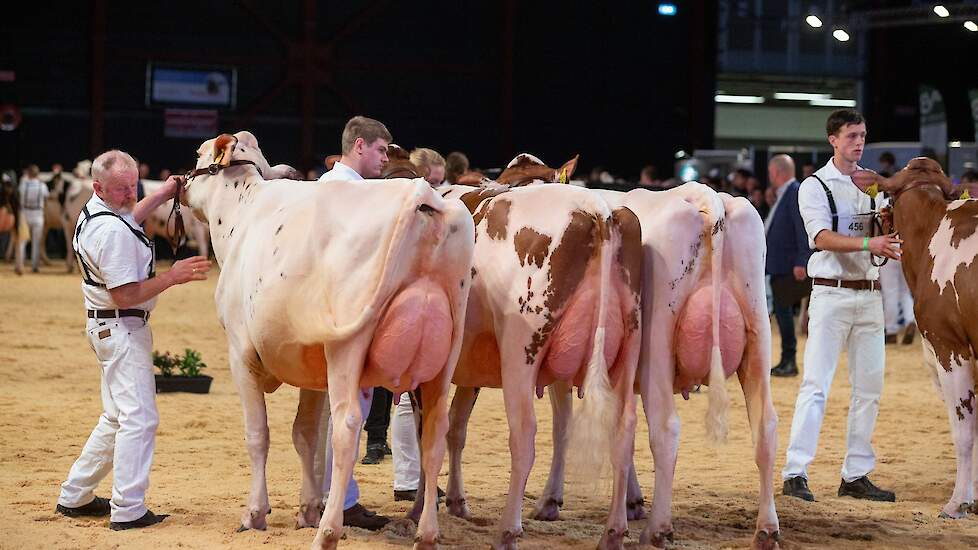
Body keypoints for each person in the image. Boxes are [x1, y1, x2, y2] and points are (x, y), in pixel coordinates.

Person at [56, 149, 211, 530]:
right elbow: (125, 294)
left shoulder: (99, 211)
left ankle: (75, 495)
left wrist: (160, 194)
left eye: (133, 186)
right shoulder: (108, 230)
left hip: (109, 327)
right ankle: (128, 509)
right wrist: (172, 276)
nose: (129, 195)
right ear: (97, 187)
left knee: (116, 416)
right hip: (122, 325)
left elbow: (127, 217)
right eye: (121, 189)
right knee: (139, 419)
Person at [782, 109, 902, 503]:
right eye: (851, 135)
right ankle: (795, 471)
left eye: (863, 135)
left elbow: (880, 231)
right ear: (832, 139)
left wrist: (885, 226)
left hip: (869, 293)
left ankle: (856, 474)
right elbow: (820, 237)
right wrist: (872, 243)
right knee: (816, 384)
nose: (859, 142)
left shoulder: (872, 185)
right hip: (831, 293)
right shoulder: (814, 185)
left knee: (870, 388)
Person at [314, 115, 392, 530]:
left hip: (333, 308)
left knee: (338, 411)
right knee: (348, 410)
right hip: (346, 312)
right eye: (380, 150)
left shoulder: (331, 186)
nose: (384, 158)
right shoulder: (347, 191)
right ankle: (339, 501)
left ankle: (333, 496)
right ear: (359, 145)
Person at [765, 154, 812, 377]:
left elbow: (803, 228)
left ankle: (789, 360)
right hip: (781, 264)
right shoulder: (786, 194)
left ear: (776, 172)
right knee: (782, 314)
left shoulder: (794, 192)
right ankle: (787, 359)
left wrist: (802, 260)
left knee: (784, 314)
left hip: (788, 265)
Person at [16, 164, 48, 274]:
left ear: (28, 174)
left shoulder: (23, 185)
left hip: (24, 214)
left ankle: (20, 265)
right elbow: (46, 197)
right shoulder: (42, 186)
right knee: (37, 242)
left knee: (22, 241)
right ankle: (35, 266)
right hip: (38, 215)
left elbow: (19, 194)